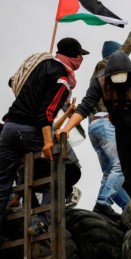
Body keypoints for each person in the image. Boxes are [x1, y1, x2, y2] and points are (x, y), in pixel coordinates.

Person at [56, 52, 131, 225]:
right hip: (124, 129)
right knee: (130, 175)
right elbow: (85, 107)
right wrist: (66, 129)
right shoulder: (101, 83)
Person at [0, 37, 89, 240]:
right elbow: (47, 114)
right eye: (80, 55)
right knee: (56, 177)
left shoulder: (40, 66)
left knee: (3, 183)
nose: (81, 60)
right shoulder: (63, 79)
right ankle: (41, 222)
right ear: (74, 56)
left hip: (9, 128)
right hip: (30, 131)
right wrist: (48, 141)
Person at [88, 5, 131, 220]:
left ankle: (120, 208)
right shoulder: (110, 65)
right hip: (105, 122)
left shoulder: (95, 75)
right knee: (120, 166)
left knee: (109, 173)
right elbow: (129, 43)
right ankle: (103, 202)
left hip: (92, 125)